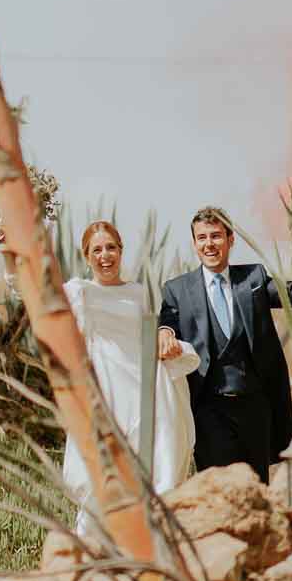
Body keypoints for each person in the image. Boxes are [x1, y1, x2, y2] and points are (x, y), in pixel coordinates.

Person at [62, 220, 199, 539]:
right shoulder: (79, 291)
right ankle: (95, 542)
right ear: (86, 256)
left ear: (121, 251)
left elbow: (144, 335)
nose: (105, 255)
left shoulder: (137, 292)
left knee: (153, 459)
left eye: (111, 247)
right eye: (96, 249)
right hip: (105, 387)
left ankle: (151, 537)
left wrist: (167, 341)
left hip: (143, 383)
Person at [157, 206, 292, 484]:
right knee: (218, 492)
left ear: (231, 240)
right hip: (209, 410)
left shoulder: (253, 278)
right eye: (202, 237)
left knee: (256, 490)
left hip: (255, 408)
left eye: (216, 236)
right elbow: (167, 319)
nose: (209, 244)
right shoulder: (177, 289)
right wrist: (165, 333)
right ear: (195, 243)